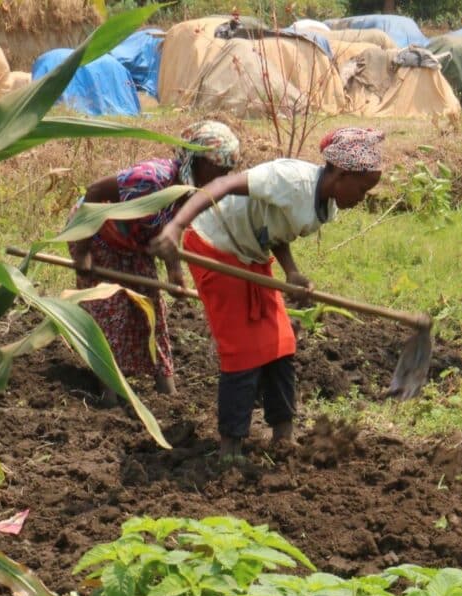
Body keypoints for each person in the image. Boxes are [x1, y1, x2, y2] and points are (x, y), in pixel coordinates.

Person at [148, 127, 385, 462]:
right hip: (214, 246)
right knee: (243, 350)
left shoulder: (325, 204)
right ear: (342, 173)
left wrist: (291, 272)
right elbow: (219, 185)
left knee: (281, 345)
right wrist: (173, 227)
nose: (363, 197)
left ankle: (283, 438)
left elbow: (274, 226)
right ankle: (230, 448)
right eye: (362, 189)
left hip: (251, 254)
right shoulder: (290, 179)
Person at [66, 121, 240, 403]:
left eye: (226, 172)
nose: (221, 177)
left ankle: (167, 392)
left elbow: (168, 233)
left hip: (134, 244)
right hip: (97, 234)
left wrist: (174, 276)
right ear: (195, 161)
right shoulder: (151, 179)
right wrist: (84, 251)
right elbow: (95, 192)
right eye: (217, 170)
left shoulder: (191, 192)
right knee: (111, 309)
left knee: (150, 310)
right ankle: (109, 389)